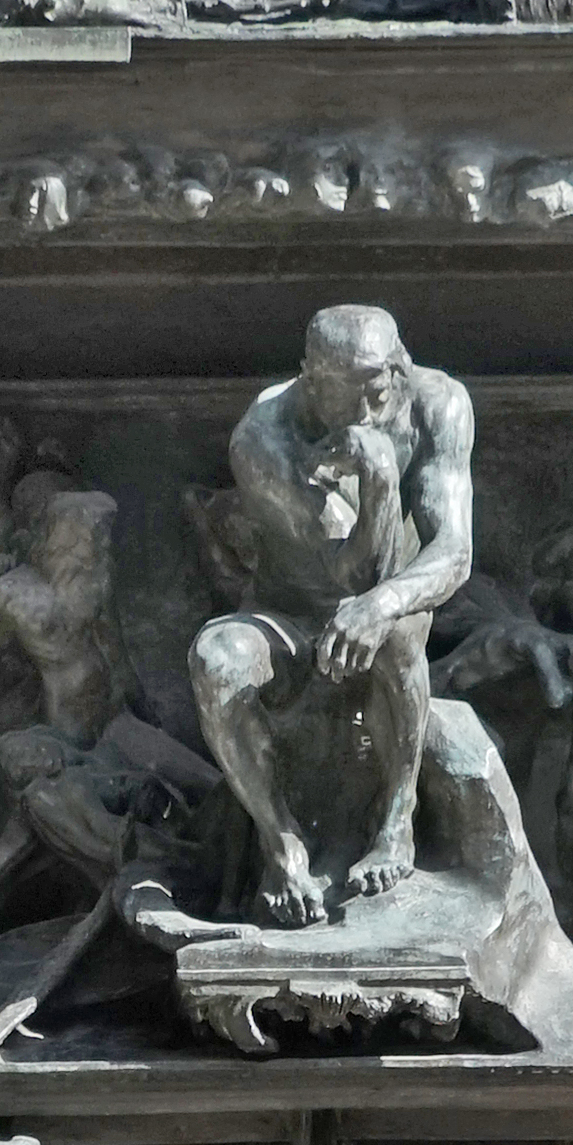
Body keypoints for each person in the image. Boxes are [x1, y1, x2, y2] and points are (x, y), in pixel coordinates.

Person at [189, 303, 479, 920]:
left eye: (379, 390)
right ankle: (283, 842)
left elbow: (452, 551)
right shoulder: (263, 438)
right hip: (290, 617)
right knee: (215, 663)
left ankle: (397, 820)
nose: (369, 413)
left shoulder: (438, 404)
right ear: (308, 380)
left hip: (391, 606)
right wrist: (378, 482)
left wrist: (385, 601)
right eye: (346, 400)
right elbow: (348, 571)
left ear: (400, 368)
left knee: (397, 628)